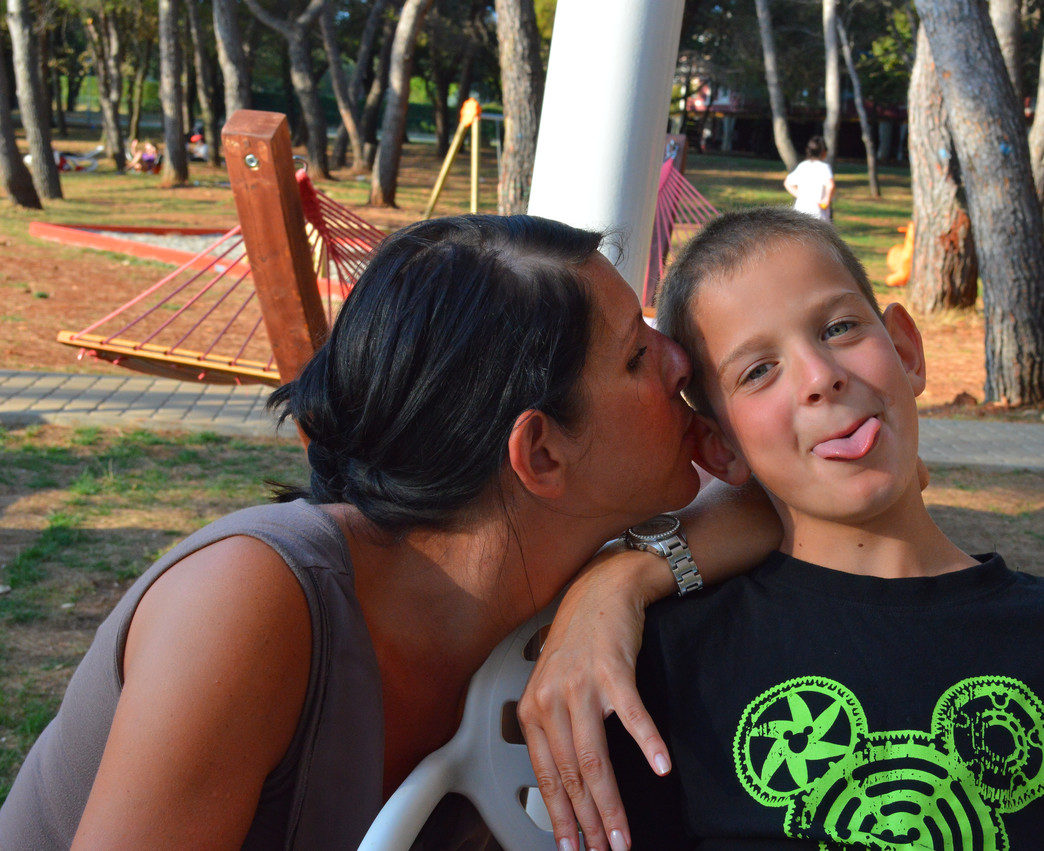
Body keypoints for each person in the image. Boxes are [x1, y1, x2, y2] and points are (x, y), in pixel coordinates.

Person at [0, 214, 783, 851]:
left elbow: (795, 504)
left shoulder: (564, 564)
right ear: (541, 453)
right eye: (638, 354)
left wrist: (627, 580)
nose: (682, 360)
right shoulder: (246, 603)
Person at [603, 207, 1044, 848]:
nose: (821, 377)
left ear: (905, 350)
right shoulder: (670, 666)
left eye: (839, 328)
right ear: (719, 447)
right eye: (758, 371)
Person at [783, 136, 835, 221]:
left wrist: (801, 195)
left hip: (800, 211)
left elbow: (787, 183)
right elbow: (830, 185)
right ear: (824, 152)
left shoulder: (803, 166)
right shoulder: (824, 167)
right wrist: (826, 200)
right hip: (818, 213)